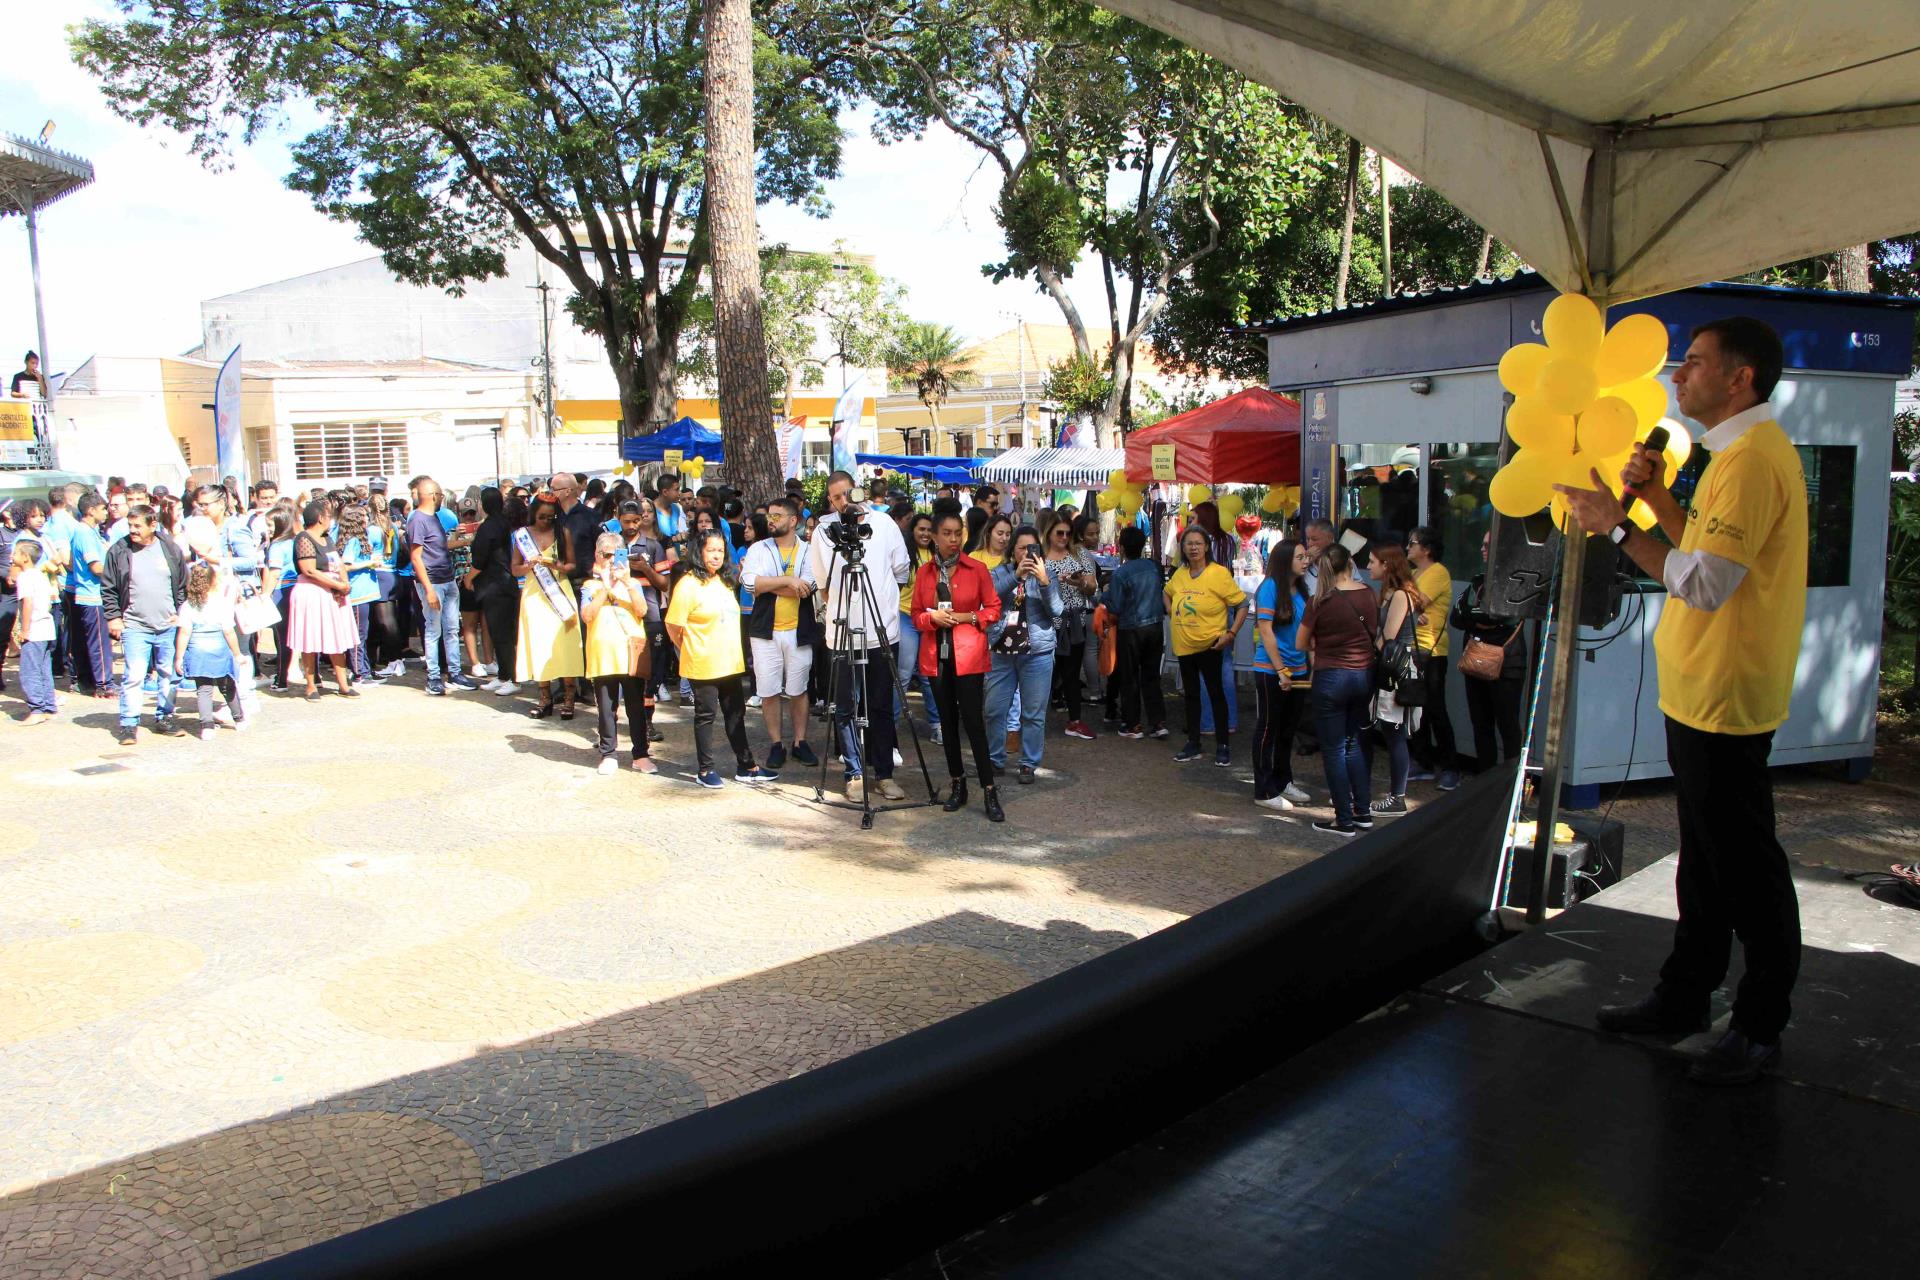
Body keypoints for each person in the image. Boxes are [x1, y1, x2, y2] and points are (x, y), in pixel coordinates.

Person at [1555, 316, 1806, 1085]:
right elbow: (1701, 546)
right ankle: (1685, 995)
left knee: (1744, 867)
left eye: (1693, 364)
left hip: (1725, 698)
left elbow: (1702, 582)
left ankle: (1759, 1023)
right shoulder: (1736, 456)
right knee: (1704, 861)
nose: (1676, 376)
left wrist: (1617, 524)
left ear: (1741, 378)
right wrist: (1659, 497)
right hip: (1700, 694)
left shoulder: (1754, 460)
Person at [808, 471, 912, 804]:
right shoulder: (824, 533)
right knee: (846, 707)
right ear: (830, 501)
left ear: (860, 493)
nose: (843, 502)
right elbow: (822, 585)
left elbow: (900, 572)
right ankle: (853, 774)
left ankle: (883, 774)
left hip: (882, 631)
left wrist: (880, 604)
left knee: (880, 704)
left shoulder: (884, 525)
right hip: (843, 635)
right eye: (836, 497)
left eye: (847, 494)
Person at [912, 498, 1004, 821]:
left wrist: (968, 617)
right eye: (947, 533)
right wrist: (931, 618)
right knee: (947, 723)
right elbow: (915, 616)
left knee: (973, 723)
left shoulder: (976, 569)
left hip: (969, 655)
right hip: (936, 656)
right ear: (934, 537)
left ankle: (990, 790)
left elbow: (993, 609)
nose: (953, 539)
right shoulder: (924, 573)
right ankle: (957, 784)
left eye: (957, 533)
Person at [667, 528, 775, 789]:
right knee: (706, 716)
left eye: (720, 550)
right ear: (699, 552)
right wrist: (688, 647)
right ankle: (705, 770)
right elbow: (673, 625)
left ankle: (746, 765)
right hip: (702, 663)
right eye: (710, 550)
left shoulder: (725, 580)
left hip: (729, 661)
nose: (716, 555)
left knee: (735, 713)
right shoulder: (688, 583)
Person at [1297, 544, 1378, 836]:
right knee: (1355, 742)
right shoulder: (1368, 594)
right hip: (1362, 676)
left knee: (1333, 749)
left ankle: (1343, 818)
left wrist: (1323, 644)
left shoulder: (1320, 600)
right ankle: (1363, 811)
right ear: (1350, 563)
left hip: (1331, 676)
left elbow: (1301, 642)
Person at [742, 495, 819, 769]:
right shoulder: (758, 549)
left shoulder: (809, 550)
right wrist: (787, 580)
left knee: (799, 689)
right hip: (765, 631)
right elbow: (750, 583)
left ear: (793, 520)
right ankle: (776, 743)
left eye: (777, 516)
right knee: (768, 689)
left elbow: (808, 587)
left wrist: (768, 584)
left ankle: (800, 742)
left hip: (799, 630)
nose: (770, 521)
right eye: (769, 516)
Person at [101, 504, 190, 742]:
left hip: (167, 625)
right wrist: (114, 617)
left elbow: (182, 584)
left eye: (138, 525)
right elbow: (108, 587)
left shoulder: (170, 548)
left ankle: (165, 717)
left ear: (153, 525)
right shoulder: (119, 550)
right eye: (130, 525)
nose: (133, 530)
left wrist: (181, 614)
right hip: (134, 625)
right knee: (134, 675)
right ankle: (129, 724)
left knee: (168, 673)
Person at [983, 525, 1064, 785]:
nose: (1027, 554)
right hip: (1001, 650)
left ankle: (1028, 763)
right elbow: (990, 598)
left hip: (1037, 652)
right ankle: (995, 760)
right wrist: (1016, 577)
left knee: (1033, 712)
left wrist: (1044, 583)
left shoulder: (1048, 574)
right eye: (1021, 549)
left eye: (1032, 549)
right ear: (1012, 550)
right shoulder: (999, 572)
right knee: (995, 709)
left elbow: (1057, 611)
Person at [1164, 525, 1245, 766]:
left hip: (1211, 645)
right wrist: (1172, 612)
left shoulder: (1219, 573)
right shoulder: (1180, 573)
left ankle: (1222, 745)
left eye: (1198, 543)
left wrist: (1231, 633)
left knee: (1215, 694)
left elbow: (1241, 605)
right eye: (1189, 544)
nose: (1193, 548)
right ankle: (1193, 743)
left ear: (1207, 546)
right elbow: (1166, 593)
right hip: (1184, 645)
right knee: (1191, 695)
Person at [1450, 530, 1530, 772]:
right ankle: (1486, 779)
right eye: (1482, 544)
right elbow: (1457, 616)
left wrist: (1478, 617)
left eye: (1487, 545)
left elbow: (1504, 619)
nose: (1482, 549)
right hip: (1476, 660)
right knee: (1480, 723)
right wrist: (1481, 618)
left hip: (1507, 664)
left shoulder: (1519, 582)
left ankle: (1511, 780)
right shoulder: (1479, 581)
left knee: (1507, 724)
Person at [580, 532, 656, 775]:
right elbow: (587, 615)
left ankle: (641, 754)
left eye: (617, 554)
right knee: (606, 707)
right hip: (603, 654)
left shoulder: (632, 584)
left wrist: (624, 583)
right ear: (597, 556)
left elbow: (642, 610)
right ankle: (608, 753)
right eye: (606, 555)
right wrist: (605, 586)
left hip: (629, 654)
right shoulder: (589, 586)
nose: (611, 560)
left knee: (636, 706)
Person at [1251, 539, 1314, 810]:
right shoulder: (1269, 588)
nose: (1306, 560)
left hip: (1299, 669)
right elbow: (1266, 631)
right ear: (1285, 559)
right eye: (1300, 556)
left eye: (1305, 556)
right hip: (1272, 670)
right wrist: (1280, 670)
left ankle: (1283, 779)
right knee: (1268, 727)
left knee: (1288, 729)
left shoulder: (1300, 589)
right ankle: (1264, 790)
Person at [1361, 541, 1422, 816]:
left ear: (1386, 565)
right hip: (1389, 668)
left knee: (1395, 733)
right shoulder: (1387, 593)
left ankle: (1397, 796)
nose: (1369, 566)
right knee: (1389, 731)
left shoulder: (1399, 595)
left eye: (1373, 561)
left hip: (1396, 670)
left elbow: (1389, 636)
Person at [514, 491, 585, 716]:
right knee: (539, 643)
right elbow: (514, 568)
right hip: (535, 593)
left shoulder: (562, 533)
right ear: (534, 513)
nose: (546, 521)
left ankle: (569, 698)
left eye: (550, 517)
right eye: (542, 516)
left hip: (559, 592)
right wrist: (528, 565)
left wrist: (556, 564)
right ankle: (544, 697)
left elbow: (573, 565)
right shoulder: (522, 536)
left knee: (566, 644)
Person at [1405, 526, 1461, 791]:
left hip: (1432, 650)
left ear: (1426, 549)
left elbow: (1412, 602)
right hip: (1414, 647)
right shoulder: (1415, 573)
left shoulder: (1438, 572)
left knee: (1436, 708)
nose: (1408, 547)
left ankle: (1450, 766)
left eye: (1413, 543)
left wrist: (1408, 604)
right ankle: (1423, 761)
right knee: (1416, 708)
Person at [408, 478, 475, 695]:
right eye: (440, 495)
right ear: (433, 496)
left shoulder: (434, 517)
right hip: (433, 581)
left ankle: (454, 672)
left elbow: (439, 546)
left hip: (447, 578)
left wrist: (463, 541)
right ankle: (434, 676)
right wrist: (428, 589)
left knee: (452, 628)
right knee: (433, 630)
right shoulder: (418, 519)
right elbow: (416, 557)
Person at [287, 501, 357, 700]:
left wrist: (343, 582)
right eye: (328, 515)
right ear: (320, 518)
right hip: (312, 593)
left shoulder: (327, 538)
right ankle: (311, 685)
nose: (331, 519)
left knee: (337, 638)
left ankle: (343, 684)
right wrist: (335, 585)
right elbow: (309, 570)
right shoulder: (304, 538)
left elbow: (338, 563)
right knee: (310, 638)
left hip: (333, 594)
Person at [1102, 525, 1167, 740]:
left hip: (1131, 629)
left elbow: (1116, 606)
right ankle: (1157, 722)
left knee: (1129, 676)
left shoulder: (1121, 574)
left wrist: (1103, 596)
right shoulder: (1154, 567)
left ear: (1121, 548)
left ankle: (1133, 724)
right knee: (1151, 675)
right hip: (1155, 626)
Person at [1040, 512, 1100, 740]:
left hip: (1072, 620)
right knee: (1042, 672)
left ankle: (1075, 721)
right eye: (1059, 533)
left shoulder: (1079, 554)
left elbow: (1092, 588)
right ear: (1049, 533)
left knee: (1071, 672)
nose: (1064, 537)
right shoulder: (1039, 554)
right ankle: (1031, 720)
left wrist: (1078, 581)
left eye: (1068, 533)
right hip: (1044, 622)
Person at [174, 561, 249, 739]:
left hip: (197, 652)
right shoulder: (221, 604)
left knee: (204, 689)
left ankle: (206, 726)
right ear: (214, 581)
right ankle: (239, 719)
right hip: (220, 652)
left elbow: (184, 633)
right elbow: (229, 632)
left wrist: (179, 657)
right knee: (228, 687)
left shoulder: (187, 606)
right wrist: (237, 654)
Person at [894, 510, 944, 743]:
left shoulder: (939, 555)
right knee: (903, 674)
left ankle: (937, 725)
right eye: (920, 529)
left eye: (928, 529)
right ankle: (891, 725)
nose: (924, 533)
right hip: (905, 616)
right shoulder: (904, 553)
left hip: (931, 618)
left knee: (929, 674)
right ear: (912, 530)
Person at [468, 487, 522, 696]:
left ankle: (513, 678)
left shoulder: (490, 526)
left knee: (502, 635)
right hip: (502, 583)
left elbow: (479, 560)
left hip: (496, 585)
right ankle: (503, 675)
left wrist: (469, 578)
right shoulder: (503, 523)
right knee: (500, 633)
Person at [66, 492, 113, 698]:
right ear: (91, 510)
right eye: (103, 508)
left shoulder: (92, 532)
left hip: (95, 595)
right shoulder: (84, 533)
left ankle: (95, 681)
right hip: (92, 596)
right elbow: (95, 566)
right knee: (99, 644)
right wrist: (118, 572)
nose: (106, 512)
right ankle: (103, 684)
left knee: (94, 642)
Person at [337, 505, 386, 686]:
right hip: (357, 594)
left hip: (366, 594)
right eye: (364, 516)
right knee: (358, 635)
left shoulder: (359, 539)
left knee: (364, 634)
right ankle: (358, 673)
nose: (367, 519)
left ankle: (365, 669)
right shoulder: (353, 541)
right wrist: (369, 563)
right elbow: (346, 564)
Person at [11, 540, 58, 723]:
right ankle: (48, 706)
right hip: (46, 628)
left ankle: (37, 709)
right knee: (44, 669)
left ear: (25, 557)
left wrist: (25, 629)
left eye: (15, 553)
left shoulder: (25, 577)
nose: (12, 556)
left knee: (29, 670)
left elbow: (27, 603)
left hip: (35, 629)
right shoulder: (40, 574)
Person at [454, 496, 494, 682]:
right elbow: (445, 546)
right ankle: (475, 663)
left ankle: (489, 660)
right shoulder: (453, 531)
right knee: (469, 625)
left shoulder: (483, 530)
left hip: (483, 580)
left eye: (472, 513)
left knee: (486, 624)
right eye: (465, 514)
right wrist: (458, 536)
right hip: (464, 581)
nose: (469, 518)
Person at [261, 509, 300, 691]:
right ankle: (314, 677)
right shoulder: (296, 541)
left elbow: (274, 573)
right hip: (298, 589)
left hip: (282, 591)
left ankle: (281, 679)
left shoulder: (277, 546)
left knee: (283, 638)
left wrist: (265, 595)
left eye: (270, 525)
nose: (267, 529)